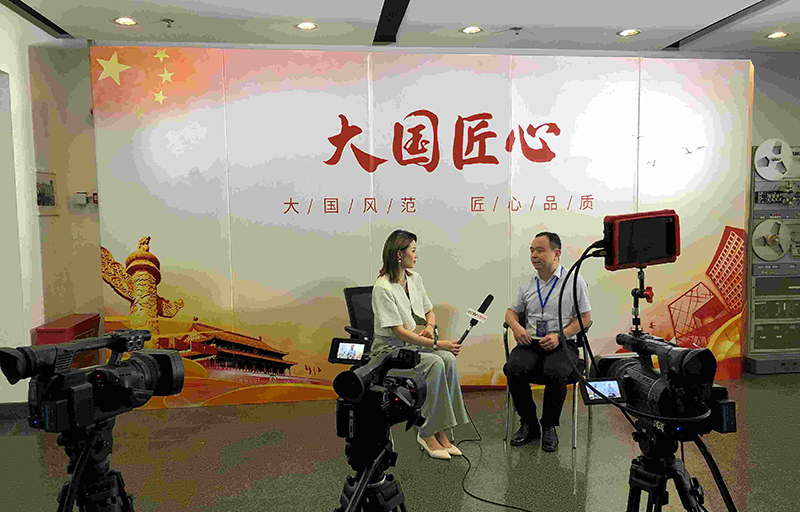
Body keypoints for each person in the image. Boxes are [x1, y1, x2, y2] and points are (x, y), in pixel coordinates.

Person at [371, 229, 469, 460]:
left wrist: (429, 326)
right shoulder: (382, 288)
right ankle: (426, 432)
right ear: (399, 254)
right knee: (435, 362)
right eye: (413, 251)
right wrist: (437, 343)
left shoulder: (414, 279)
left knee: (448, 359)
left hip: (411, 346)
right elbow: (399, 332)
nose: (416, 255)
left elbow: (428, 311)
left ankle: (442, 430)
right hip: (389, 352)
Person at [503, 231, 591, 451]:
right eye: (532, 250)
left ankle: (549, 425)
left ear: (556, 253)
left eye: (540, 250)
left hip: (562, 343)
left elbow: (585, 319)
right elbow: (511, 312)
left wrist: (560, 335)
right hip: (530, 342)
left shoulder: (574, 281)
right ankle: (529, 423)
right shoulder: (527, 282)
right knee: (513, 368)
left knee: (556, 371)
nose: (533, 255)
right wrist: (516, 327)